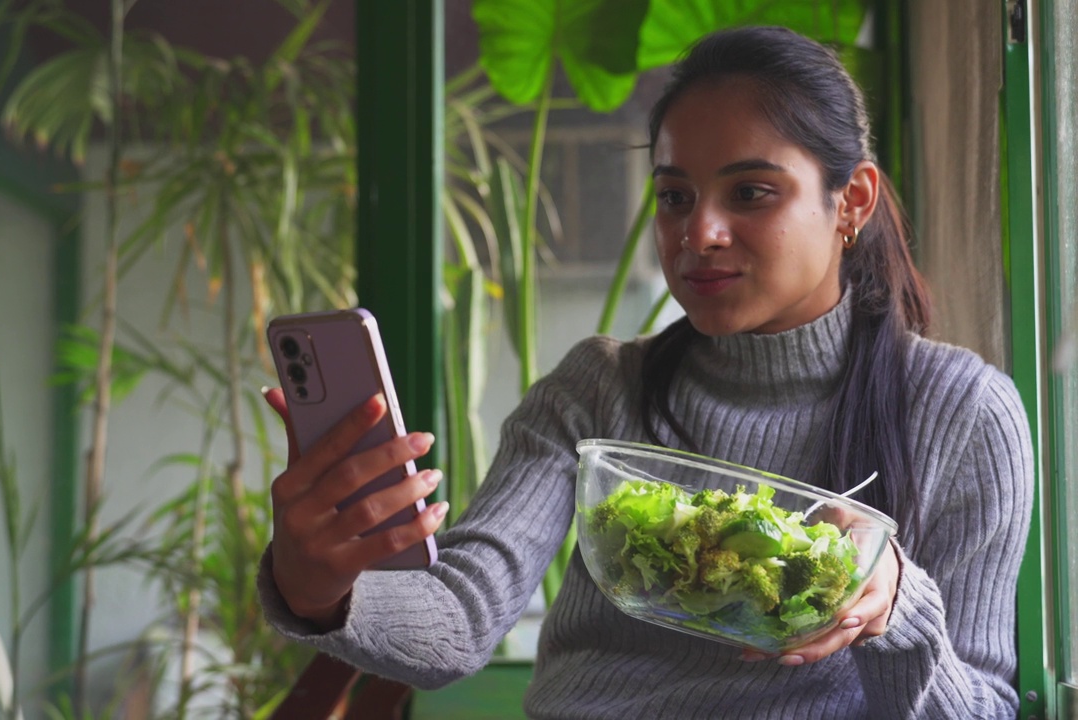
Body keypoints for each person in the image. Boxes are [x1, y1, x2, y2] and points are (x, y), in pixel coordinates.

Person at [257, 25, 1033, 719]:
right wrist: (318, 589)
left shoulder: (961, 412)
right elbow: (459, 620)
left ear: (850, 201)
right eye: (674, 196)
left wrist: (900, 606)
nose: (700, 231)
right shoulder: (598, 388)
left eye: (752, 192)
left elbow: (984, 709)